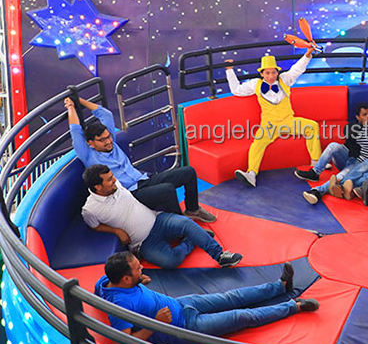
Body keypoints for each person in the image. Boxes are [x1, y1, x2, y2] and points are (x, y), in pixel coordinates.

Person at [95, 252, 319, 344]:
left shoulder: (106, 282)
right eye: (137, 269)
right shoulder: (120, 305)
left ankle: (281, 286)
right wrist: (154, 323)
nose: (142, 268)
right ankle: (294, 306)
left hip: (181, 304)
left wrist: (139, 280)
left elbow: (100, 290)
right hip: (183, 329)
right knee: (241, 316)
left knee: (233, 297)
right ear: (126, 279)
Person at [65, 92, 215, 223]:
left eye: (108, 137)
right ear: (90, 143)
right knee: (167, 190)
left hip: (143, 180)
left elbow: (105, 114)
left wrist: (79, 100)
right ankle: (183, 226)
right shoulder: (88, 155)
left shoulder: (112, 142)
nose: (108, 141)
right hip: (130, 194)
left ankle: (192, 210)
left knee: (188, 172)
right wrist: (71, 106)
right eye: (102, 140)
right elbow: (75, 130)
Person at [81, 164, 242, 268]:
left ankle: (220, 255)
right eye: (110, 179)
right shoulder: (90, 210)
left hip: (159, 220)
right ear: (98, 187)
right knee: (170, 261)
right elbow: (95, 226)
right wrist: (116, 231)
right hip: (144, 242)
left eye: (112, 176)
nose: (115, 180)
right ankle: (192, 239)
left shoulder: (116, 185)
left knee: (186, 223)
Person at [226, 47, 320, 188]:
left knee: (312, 126)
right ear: (262, 73)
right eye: (267, 73)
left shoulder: (284, 79)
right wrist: (229, 70)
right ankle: (251, 174)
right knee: (257, 144)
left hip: (288, 121)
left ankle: (317, 163)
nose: (271, 76)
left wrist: (307, 55)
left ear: (277, 72)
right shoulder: (255, 84)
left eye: (274, 72)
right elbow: (236, 90)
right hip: (269, 125)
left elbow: (297, 69)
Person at [297, 102, 368, 203]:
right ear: (358, 117)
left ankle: (317, 191)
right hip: (346, 158)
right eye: (364, 114)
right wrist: (365, 132)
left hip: (359, 163)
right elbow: (348, 133)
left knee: (341, 175)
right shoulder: (353, 126)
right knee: (333, 146)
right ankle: (315, 172)